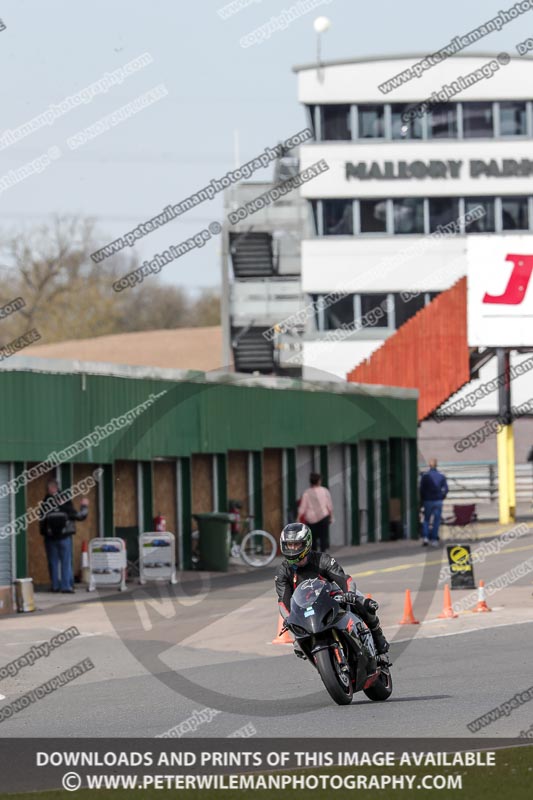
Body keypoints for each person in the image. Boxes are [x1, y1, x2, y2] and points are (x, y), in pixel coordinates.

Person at [274, 522, 389, 656]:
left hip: (332, 598)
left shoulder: (322, 559)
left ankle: (378, 636)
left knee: (364, 604)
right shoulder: (283, 572)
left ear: (306, 543)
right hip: (306, 610)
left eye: (297, 544)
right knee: (299, 647)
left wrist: (350, 594)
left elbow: (344, 579)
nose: (293, 548)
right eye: (289, 545)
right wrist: (288, 619)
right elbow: (283, 600)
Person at [39, 479, 89, 593]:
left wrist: (44, 534)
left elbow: (41, 521)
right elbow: (79, 516)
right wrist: (84, 506)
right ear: (57, 488)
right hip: (64, 536)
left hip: (50, 538)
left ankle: (55, 586)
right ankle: (66, 586)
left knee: (53, 562)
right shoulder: (65, 502)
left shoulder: (44, 503)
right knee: (66, 562)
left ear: (49, 490)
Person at [298, 473, 333, 552]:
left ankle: (314, 556)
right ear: (319, 481)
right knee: (323, 537)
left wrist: (298, 517)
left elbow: (303, 507)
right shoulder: (325, 491)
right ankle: (323, 555)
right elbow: (329, 505)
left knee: (312, 539)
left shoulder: (306, 492)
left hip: (311, 519)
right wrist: (331, 516)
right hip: (324, 517)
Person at [419, 459, 448, 547]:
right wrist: (442, 497)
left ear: (429, 465)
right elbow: (446, 489)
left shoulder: (425, 476)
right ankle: (434, 539)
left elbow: (421, 489)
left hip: (428, 500)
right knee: (436, 521)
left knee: (426, 520)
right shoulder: (441, 476)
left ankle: (426, 538)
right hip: (438, 500)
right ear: (436, 465)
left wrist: (423, 498)